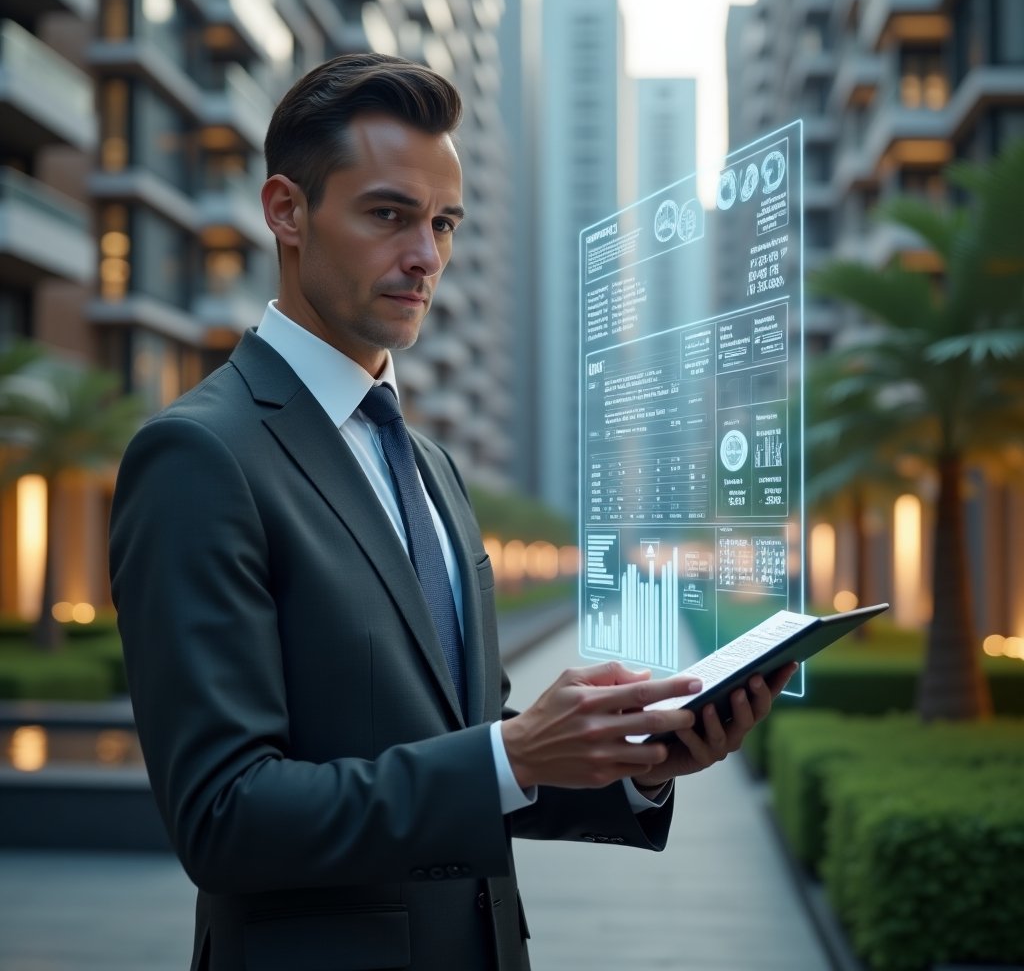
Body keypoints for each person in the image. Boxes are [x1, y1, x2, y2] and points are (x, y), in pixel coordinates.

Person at [109, 53, 795, 971]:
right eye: (388, 215)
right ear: (286, 211)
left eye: (442, 223)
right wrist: (513, 753)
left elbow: (468, 743)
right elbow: (224, 815)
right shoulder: (199, 457)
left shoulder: (431, 467)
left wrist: (630, 765)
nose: (426, 256)